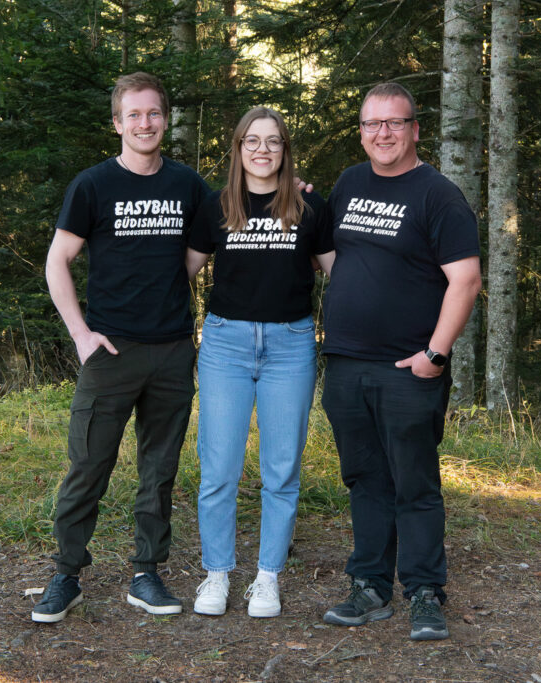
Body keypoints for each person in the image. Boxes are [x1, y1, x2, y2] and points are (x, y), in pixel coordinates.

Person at [31, 72, 210, 623]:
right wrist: (81, 334)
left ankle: (146, 573)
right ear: (117, 123)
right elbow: (57, 261)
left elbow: (198, 254)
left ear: (165, 120)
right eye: (134, 115)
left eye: (153, 113)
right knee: (88, 464)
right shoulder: (93, 185)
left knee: (159, 470)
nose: (144, 123)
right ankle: (66, 575)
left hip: (172, 351)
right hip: (110, 352)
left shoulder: (188, 185)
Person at [320, 83, 482, 641]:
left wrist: (435, 354)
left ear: (415, 129)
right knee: (365, 479)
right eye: (372, 124)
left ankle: (425, 591)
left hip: (408, 369)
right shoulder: (349, 183)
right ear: (362, 131)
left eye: (394, 123)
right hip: (345, 362)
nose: (382, 133)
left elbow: (466, 281)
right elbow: (334, 255)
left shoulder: (439, 195)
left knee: (414, 482)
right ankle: (369, 585)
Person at [185, 107, 335, 618]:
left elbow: (341, 274)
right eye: (252, 140)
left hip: (290, 345)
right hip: (225, 345)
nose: (263, 150)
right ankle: (217, 573)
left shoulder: (309, 206)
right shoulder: (216, 205)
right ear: (238, 148)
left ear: (285, 149)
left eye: (273, 141)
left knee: (281, 469)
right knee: (219, 468)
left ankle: (267, 577)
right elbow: (180, 272)